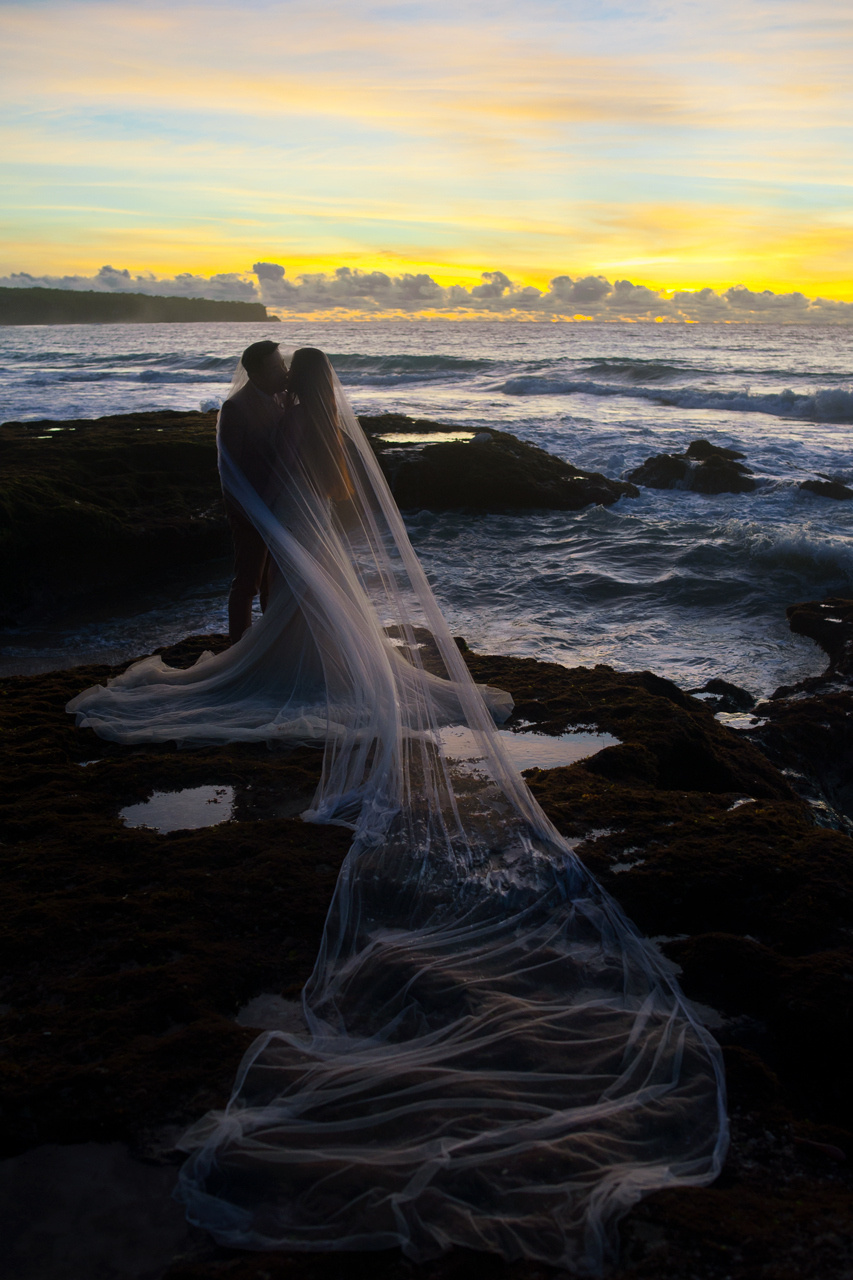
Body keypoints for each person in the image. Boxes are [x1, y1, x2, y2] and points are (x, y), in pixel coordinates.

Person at [67, 349, 727, 1273]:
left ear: (284, 376)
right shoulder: (318, 418)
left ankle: (261, 660)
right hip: (311, 523)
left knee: (295, 616)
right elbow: (317, 482)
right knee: (317, 614)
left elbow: (270, 471)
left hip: (294, 524)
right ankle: (277, 660)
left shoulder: (285, 412)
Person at [218, 339, 289, 644]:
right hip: (248, 506)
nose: (283, 371)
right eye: (275, 367)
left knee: (274, 581)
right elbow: (229, 467)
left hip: (280, 504)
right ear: (256, 373)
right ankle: (238, 647)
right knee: (247, 582)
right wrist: (245, 510)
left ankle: (268, 646)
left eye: (282, 363)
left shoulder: (283, 397)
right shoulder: (236, 407)